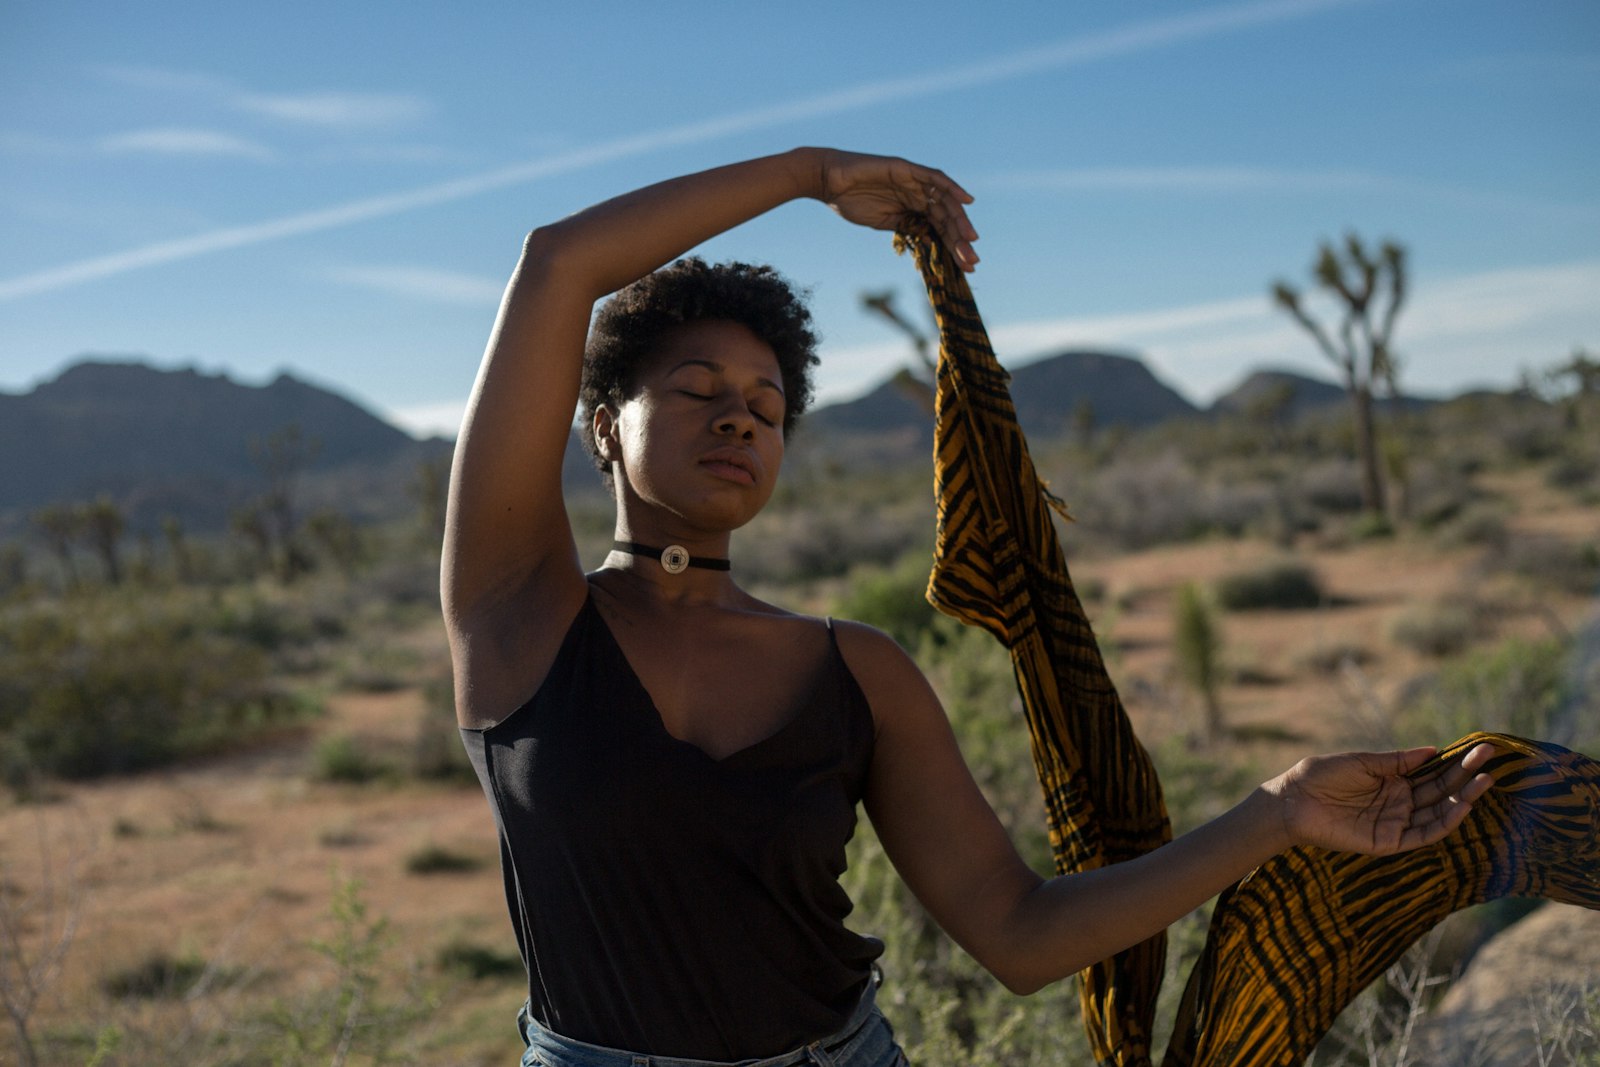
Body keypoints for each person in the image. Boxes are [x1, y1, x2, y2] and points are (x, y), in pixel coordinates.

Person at [444, 147, 1497, 1067]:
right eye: (696, 389)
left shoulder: (855, 670)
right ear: (600, 426)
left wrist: (1277, 809)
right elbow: (556, 265)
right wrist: (813, 175)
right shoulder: (520, 614)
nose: (738, 419)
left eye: (766, 407)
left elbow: (1019, 928)